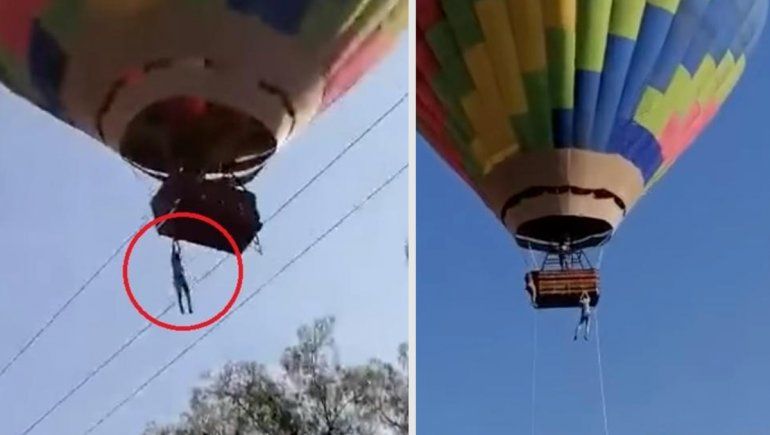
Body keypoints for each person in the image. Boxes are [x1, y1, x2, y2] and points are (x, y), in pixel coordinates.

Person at [171, 240, 193, 314]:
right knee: (180, 295)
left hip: (181, 278)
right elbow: (173, 250)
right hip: (177, 279)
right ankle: (182, 309)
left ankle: (190, 307)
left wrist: (178, 243)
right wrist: (174, 243)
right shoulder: (173, 260)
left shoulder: (178, 261)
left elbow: (179, 251)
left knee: (187, 292)